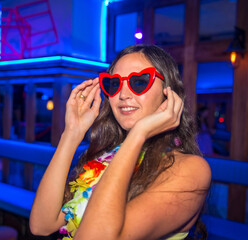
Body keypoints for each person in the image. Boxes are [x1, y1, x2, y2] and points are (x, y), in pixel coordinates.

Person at [30, 44, 211, 240]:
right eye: (114, 84)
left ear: (168, 92)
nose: (123, 95)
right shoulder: (109, 157)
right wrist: (71, 134)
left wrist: (138, 134)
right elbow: (42, 224)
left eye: (139, 81)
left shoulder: (191, 169)